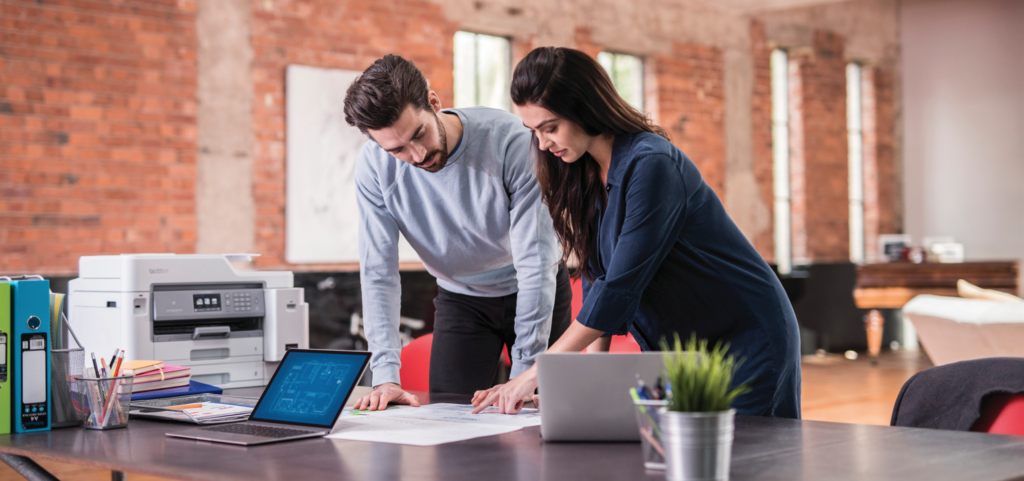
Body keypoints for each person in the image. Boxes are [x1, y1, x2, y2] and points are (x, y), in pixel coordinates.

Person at [471, 47, 802, 418]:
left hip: (743, 336)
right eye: (535, 132)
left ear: (585, 107)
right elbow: (599, 280)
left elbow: (620, 289)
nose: (544, 144)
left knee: (748, 462)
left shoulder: (651, 164)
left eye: (551, 127)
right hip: (681, 346)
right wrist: (588, 378)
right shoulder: (584, 172)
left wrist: (537, 372)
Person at [343, 55, 572, 410]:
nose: (418, 156)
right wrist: (385, 375)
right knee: (450, 424)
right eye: (397, 149)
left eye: (419, 134)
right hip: (461, 297)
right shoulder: (374, 168)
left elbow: (535, 263)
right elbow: (379, 274)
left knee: (543, 418)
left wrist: (526, 374)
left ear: (434, 102)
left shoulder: (511, 141)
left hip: (536, 285)